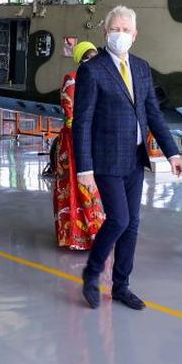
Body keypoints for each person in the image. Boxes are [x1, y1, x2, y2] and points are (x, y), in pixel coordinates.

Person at [73, 6, 182, 310]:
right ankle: (92, 273)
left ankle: (121, 285)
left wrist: (171, 151)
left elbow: (153, 113)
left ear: (134, 36)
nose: (120, 34)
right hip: (106, 159)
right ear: (105, 32)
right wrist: (84, 167)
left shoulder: (140, 67)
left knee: (132, 223)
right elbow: (82, 121)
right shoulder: (92, 70)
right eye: (115, 29)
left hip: (135, 159)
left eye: (125, 30)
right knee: (119, 219)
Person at [54, 41, 105, 250]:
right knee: (78, 185)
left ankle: (97, 232)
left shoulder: (99, 78)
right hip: (76, 139)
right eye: (90, 56)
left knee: (95, 186)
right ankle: (79, 235)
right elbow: (72, 115)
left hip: (93, 137)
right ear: (82, 60)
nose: (94, 59)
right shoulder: (72, 80)